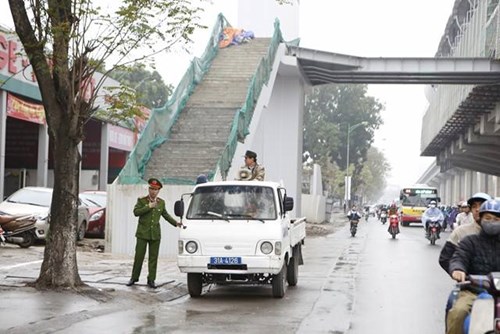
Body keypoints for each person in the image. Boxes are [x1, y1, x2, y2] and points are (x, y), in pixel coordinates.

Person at [446, 198, 500, 334]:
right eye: (488, 218)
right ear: (480, 219)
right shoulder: (469, 242)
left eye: (496, 219)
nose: (492, 222)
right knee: (458, 312)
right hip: (473, 291)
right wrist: (458, 269)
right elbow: (459, 258)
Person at [126, 178, 181, 289]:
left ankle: (151, 280)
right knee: (139, 257)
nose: (153, 191)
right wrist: (148, 206)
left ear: (158, 191)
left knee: (153, 258)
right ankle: (134, 278)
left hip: (155, 234)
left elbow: (165, 215)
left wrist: (176, 223)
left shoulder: (161, 203)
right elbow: (136, 212)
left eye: (156, 189)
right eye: (151, 188)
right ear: (149, 189)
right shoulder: (141, 200)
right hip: (142, 234)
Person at [438, 192, 491, 275]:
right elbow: (445, 258)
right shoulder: (461, 232)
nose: (477, 209)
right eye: (474, 207)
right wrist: (458, 272)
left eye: (482, 205)